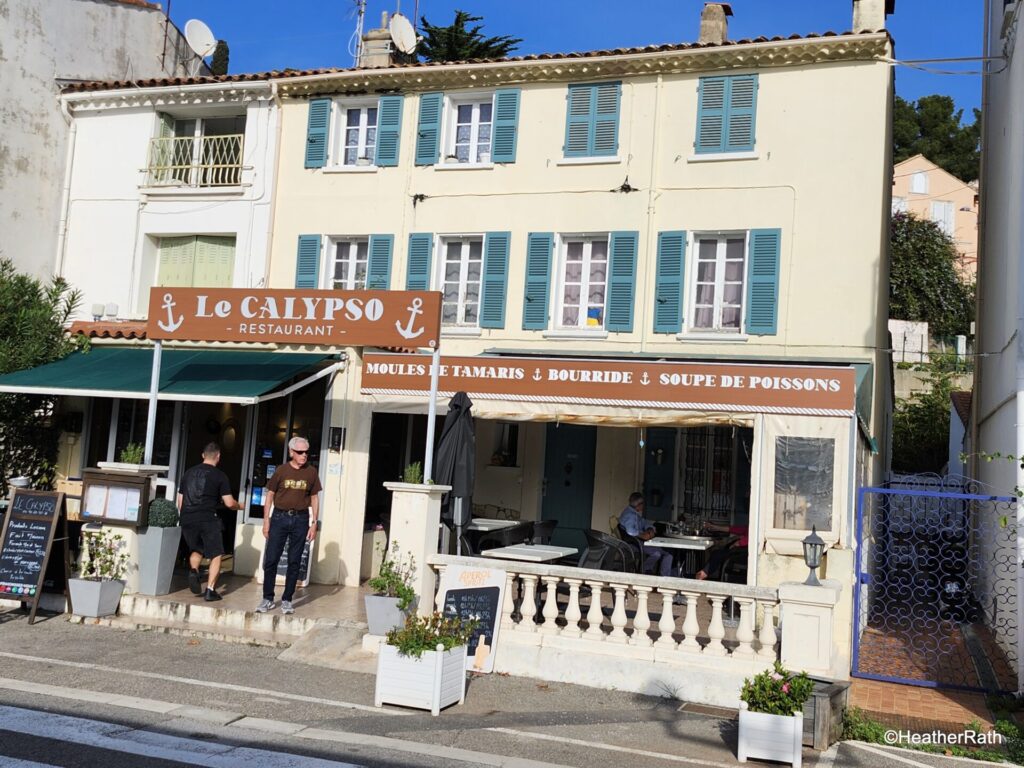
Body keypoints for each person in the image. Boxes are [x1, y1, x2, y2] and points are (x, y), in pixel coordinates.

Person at [257, 436, 321, 615]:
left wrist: (314, 522)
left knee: (294, 560)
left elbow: (315, 498)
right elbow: (269, 495)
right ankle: (268, 598)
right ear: (291, 452)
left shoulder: (311, 472)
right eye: (300, 452)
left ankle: (287, 599)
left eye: (306, 452)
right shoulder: (281, 471)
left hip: (300, 518)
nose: (304, 455)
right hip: (279, 517)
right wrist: (266, 520)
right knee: (271, 559)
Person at [177, 442, 239, 602]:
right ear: (218, 456)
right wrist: (240, 506)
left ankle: (194, 570)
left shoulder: (188, 473)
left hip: (187, 518)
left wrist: (185, 516)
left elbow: (180, 500)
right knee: (216, 554)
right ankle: (210, 590)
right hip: (207, 518)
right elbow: (229, 503)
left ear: (203, 455)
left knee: (196, 549)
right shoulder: (220, 476)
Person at [618, 492, 673, 577]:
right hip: (634, 544)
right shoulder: (630, 515)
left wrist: (649, 528)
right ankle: (648, 571)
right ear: (639, 505)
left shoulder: (634, 513)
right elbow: (630, 531)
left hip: (638, 542)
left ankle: (651, 571)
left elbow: (644, 522)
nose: (643, 506)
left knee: (666, 552)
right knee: (661, 553)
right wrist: (643, 535)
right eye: (642, 504)